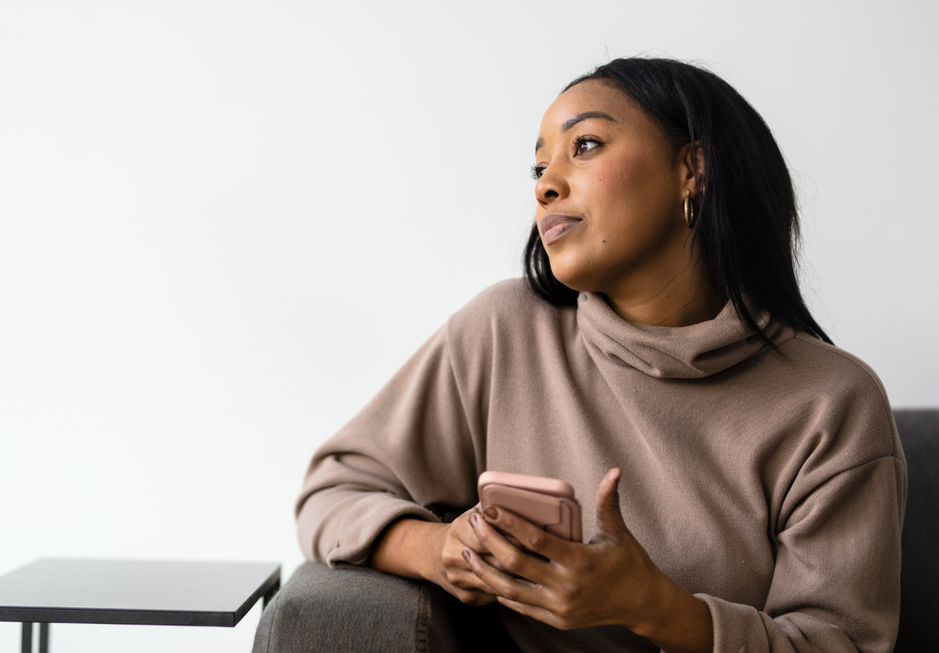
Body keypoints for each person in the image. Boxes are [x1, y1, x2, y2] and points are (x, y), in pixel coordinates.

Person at [296, 57, 907, 653]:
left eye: (584, 145)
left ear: (693, 168)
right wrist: (441, 551)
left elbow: (839, 642)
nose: (545, 185)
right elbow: (333, 491)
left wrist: (657, 609)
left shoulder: (834, 402)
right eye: (538, 167)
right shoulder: (505, 331)